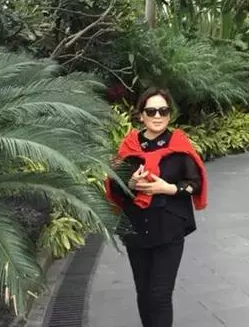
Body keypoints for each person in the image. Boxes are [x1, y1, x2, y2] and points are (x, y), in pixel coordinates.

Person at [105, 87, 208, 327]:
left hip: (169, 229)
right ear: (141, 115)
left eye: (163, 111)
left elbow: (195, 183)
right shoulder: (129, 146)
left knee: (160, 295)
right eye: (151, 111)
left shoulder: (179, 145)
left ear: (169, 115)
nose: (158, 116)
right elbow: (115, 185)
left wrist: (167, 188)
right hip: (136, 229)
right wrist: (130, 183)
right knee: (143, 293)